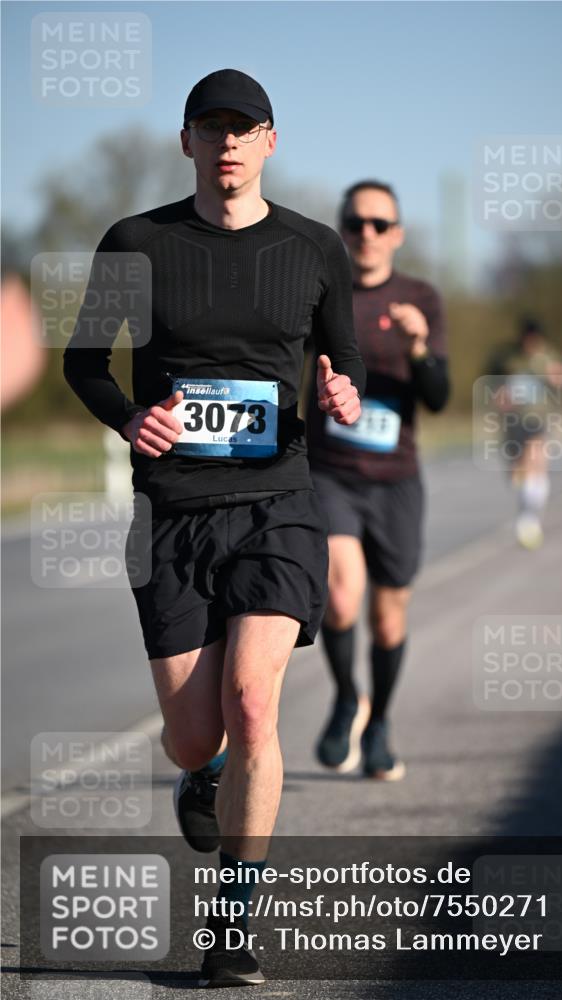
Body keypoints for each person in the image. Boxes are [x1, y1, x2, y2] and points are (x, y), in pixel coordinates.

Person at [63, 68, 364, 988]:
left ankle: (231, 928)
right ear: (186, 140)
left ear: (270, 141)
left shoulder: (314, 247)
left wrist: (342, 391)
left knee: (252, 703)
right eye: (212, 126)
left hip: (277, 503)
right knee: (197, 736)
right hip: (170, 510)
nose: (228, 141)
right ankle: (202, 774)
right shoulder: (135, 241)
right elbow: (84, 364)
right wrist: (129, 417)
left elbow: (343, 364)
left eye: (245, 127)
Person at [306, 180, 449, 782]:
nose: (367, 233)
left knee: (388, 618)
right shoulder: (319, 290)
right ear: (342, 230)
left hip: (396, 479)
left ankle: (381, 722)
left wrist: (418, 348)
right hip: (331, 472)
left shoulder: (421, 297)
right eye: (356, 223)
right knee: (339, 596)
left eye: (380, 224)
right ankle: (346, 696)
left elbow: (437, 397)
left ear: (398, 234)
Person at [487, 317, 562, 549]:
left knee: (536, 461)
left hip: (538, 416)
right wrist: (499, 396)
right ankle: (527, 511)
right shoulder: (506, 356)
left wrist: (556, 376)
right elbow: (491, 383)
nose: (530, 343)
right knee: (517, 473)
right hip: (513, 419)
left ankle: (530, 519)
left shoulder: (550, 355)